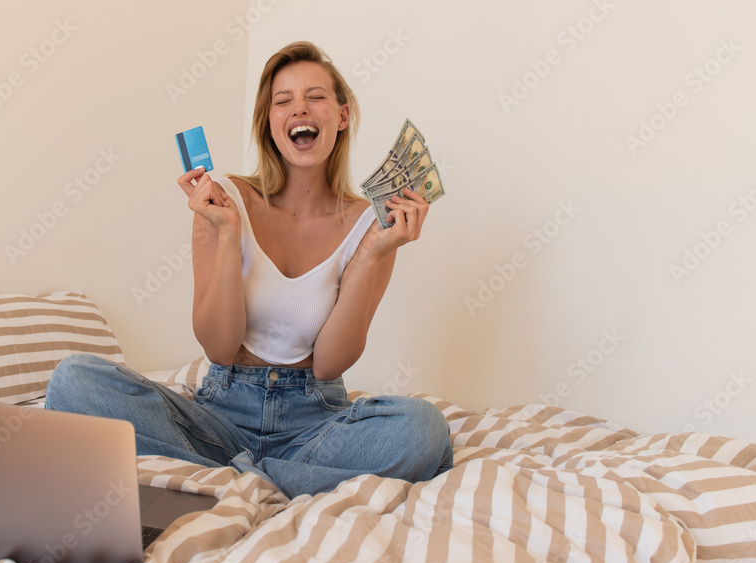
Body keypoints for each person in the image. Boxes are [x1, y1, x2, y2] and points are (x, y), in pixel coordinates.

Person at [45, 41, 453, 498]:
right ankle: (279, 482)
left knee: (422, 429)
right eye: (283, 100)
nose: (300, 107)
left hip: (313, 424)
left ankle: (227, 480)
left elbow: (331, 364)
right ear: (270, 122)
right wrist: (225, 235)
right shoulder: (223, 198)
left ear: (341, 115)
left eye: (315, 96)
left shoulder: (372, 223)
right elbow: (219, 348)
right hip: (217, 417)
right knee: (74, 379)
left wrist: (371, 255)